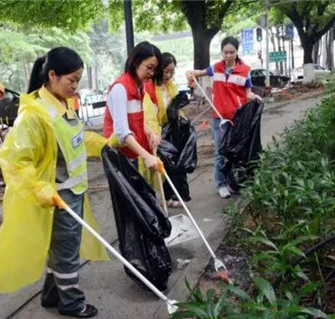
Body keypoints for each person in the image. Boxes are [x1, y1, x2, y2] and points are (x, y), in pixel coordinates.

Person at [0, 47, 113, 319]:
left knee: (64, 250)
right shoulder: (34, 115)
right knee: (66, 254)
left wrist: (105, 144)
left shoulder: (63, 104)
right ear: (52, 75)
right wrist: (41, 189)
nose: (76, 87)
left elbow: (75, 140)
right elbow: (15, 160)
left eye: (78, 80)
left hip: (73, 192)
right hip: (57, 197)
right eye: (72, 80)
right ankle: (72, 303)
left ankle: (52, 294)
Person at [186, 36, 261, 199]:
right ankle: (221, 184)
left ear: (236, 52)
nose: (228, 56)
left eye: (231, 52)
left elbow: (247, 93)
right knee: (221, 151)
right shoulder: (217, 68)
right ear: (222, 52)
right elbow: (202, 72)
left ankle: (234, 181)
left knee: (237, 151)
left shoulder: (245, 71)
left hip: (238, 119)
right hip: (219, 118)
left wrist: (254, 97)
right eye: (225, 52)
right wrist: (192, 73)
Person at [103, 41, 161, 171]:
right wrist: (146, 156)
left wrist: (149, 131)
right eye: (149, 67)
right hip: (120, 157)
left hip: (132, 154)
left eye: (155, 69)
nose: (152, 73)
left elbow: (134, 119)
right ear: (136, 62)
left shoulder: (139, 86)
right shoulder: (120, 89)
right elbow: (121, 132)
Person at [143, 52, 188, 208]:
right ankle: (161, 197)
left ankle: (172, 195)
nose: (168, 75)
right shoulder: (149, 88)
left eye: (172, 71)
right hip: (158, 132)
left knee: (173, 163)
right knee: (162, 165)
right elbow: (149, 113)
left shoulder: (170, 86)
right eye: (166, 70)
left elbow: (176, 107)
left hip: (172, 131)